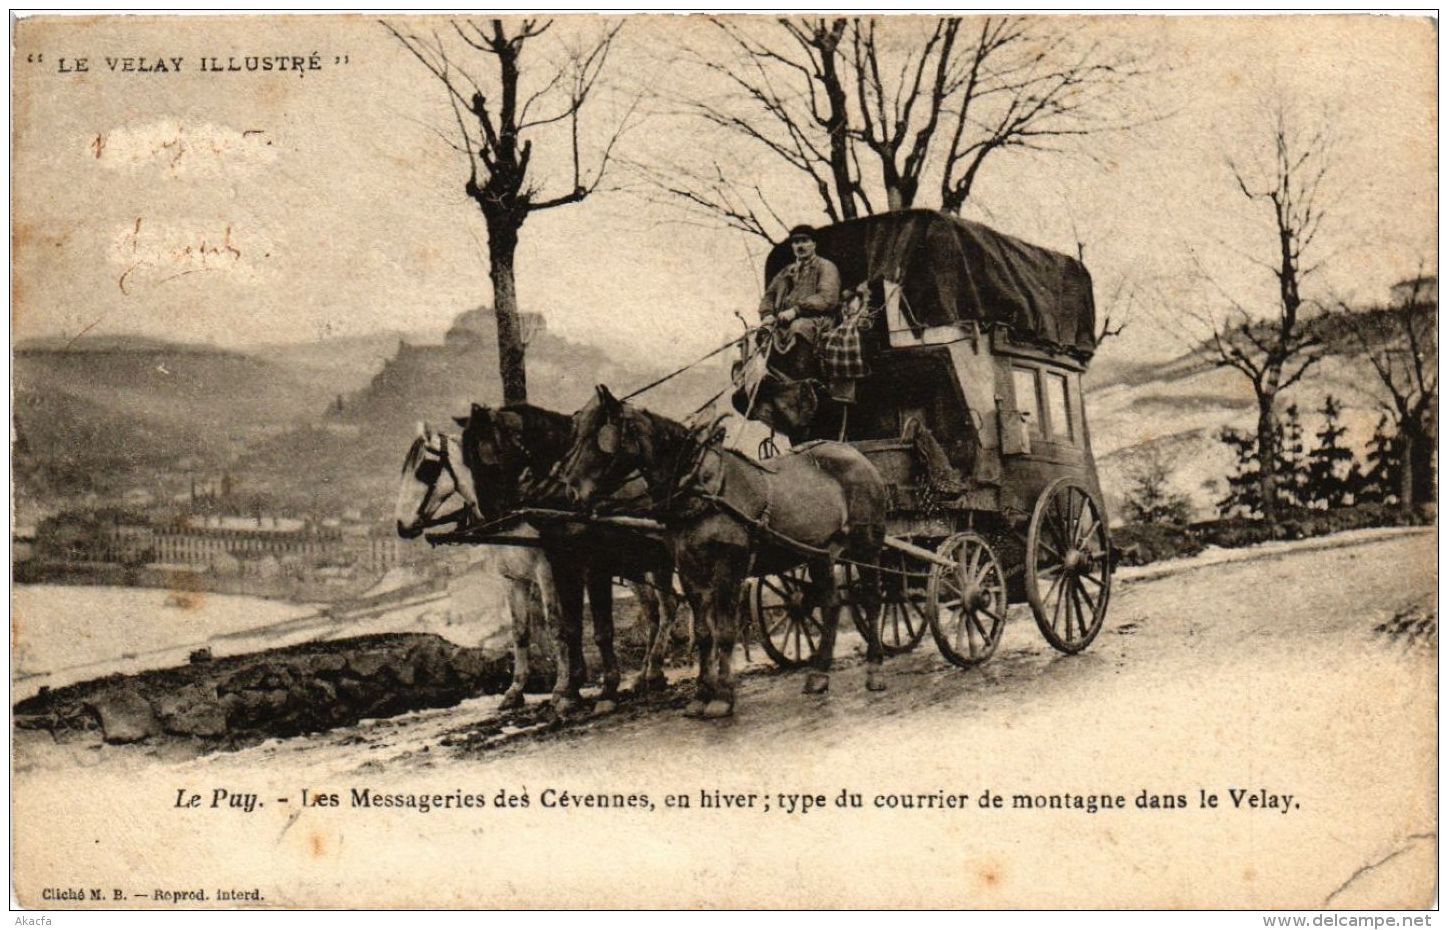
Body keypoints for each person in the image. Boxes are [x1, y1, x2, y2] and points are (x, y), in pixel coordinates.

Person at [758, 224, 841, 350]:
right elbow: (769, 295)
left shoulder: (826, 267)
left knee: (799, 328)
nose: (800, 246)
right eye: (796, 242)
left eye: (805, 241)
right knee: (762, 333)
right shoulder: (786, 272)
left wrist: (796, 311)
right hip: (783, 321)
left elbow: (826, 298)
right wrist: (767, 314)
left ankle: (804, 369)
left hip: (817, 319)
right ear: (792, 246)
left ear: (814, 244)